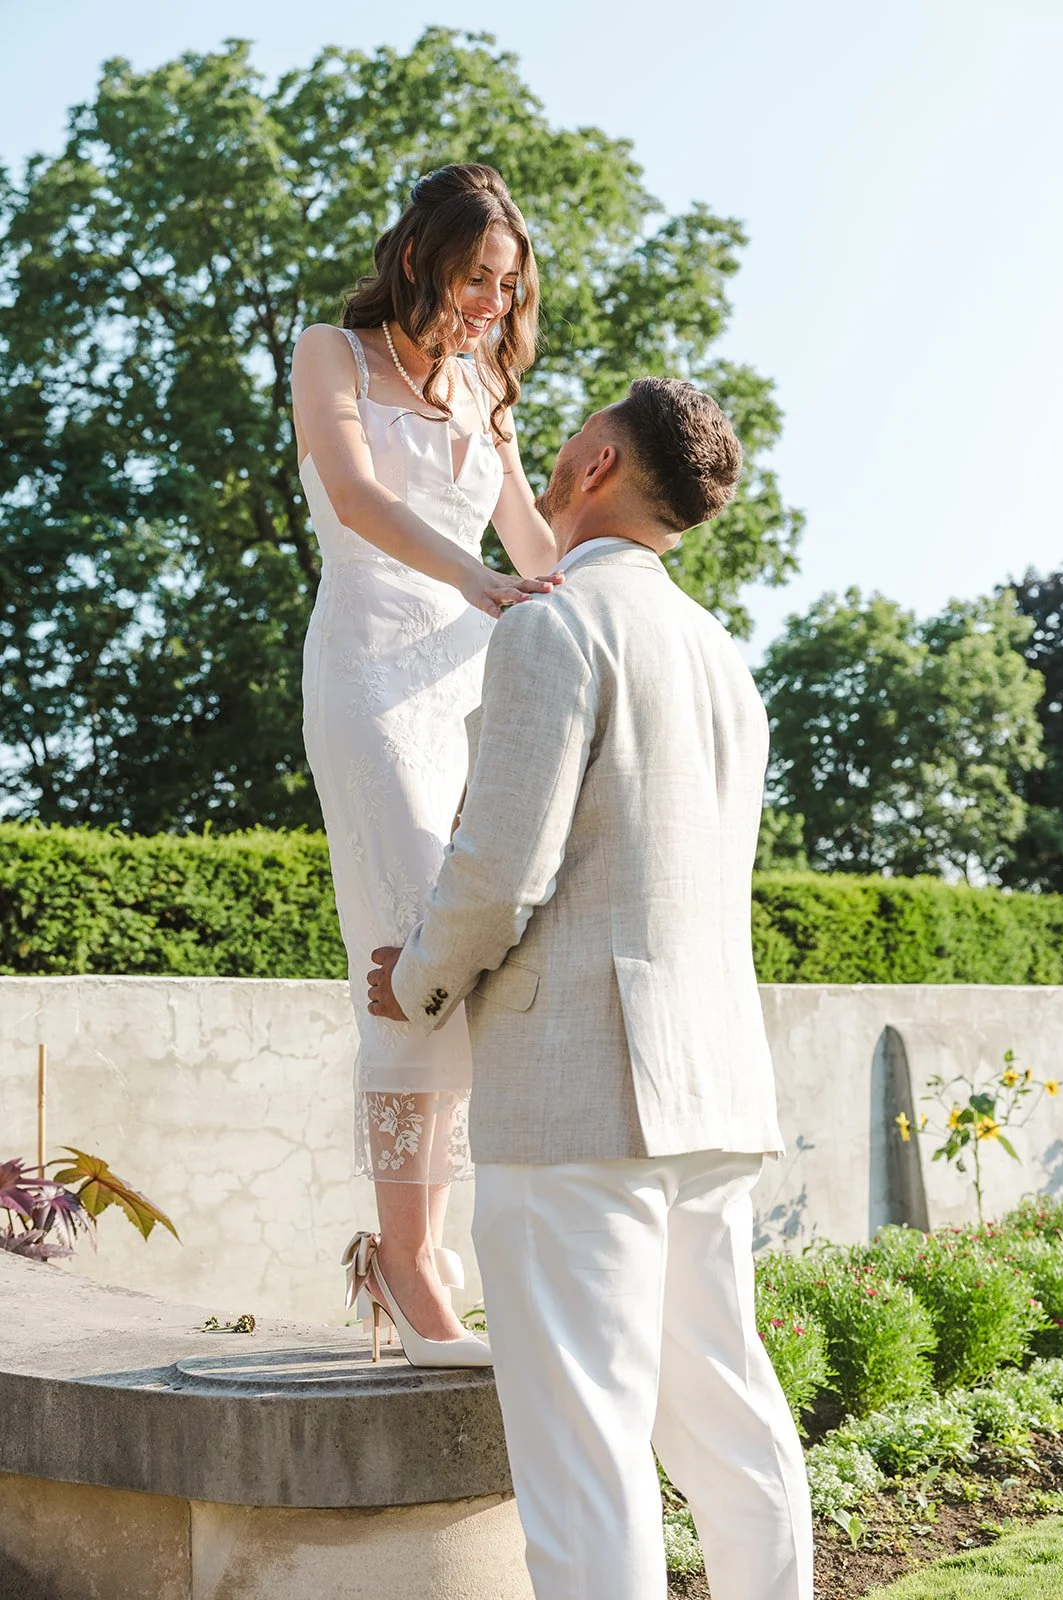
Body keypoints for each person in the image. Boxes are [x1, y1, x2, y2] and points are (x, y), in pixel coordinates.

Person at [366, 376, 814, 1598]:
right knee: (730, 1423)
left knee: (583, 1459)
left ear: (600, 461)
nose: (551, 457)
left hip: (578, 1099)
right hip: (712, 1088)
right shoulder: (722, 656)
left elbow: (502, 870)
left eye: (569, 440)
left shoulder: (553, 624)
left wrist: (411, 981)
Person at [290, 164, 560, 1366]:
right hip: (366, 672)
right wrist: (475, 581)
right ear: (418, 259)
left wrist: (605, 614)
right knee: (405, 943)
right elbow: (351, 496)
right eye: (475, 279)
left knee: (461, 954)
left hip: (469, 690)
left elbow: (535, 546)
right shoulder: (328, 357)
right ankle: (405, 1265)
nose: (490, 306)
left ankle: (418, 1258)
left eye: (508, 288)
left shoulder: (487, 386)